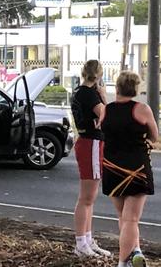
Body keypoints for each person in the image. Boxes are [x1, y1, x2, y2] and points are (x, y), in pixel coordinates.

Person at [100, 72, 157, 267]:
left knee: (124, 218)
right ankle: (123, 262)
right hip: (136, 169)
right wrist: (146, 141)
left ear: (116, 88)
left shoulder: (106, 110)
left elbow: (102, 130)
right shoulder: (142, 109)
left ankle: (136, 252)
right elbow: (154, 135)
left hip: (111, 168)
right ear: (136, 88)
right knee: (131, 220)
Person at [70, 60, 111, 257]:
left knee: (90, 198)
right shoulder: (89, 94)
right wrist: (104, 98)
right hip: (91, 143)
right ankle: (81, 243)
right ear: (99, 74)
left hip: (89, 141)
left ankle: (86, 239)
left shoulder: (79, 92)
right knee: (87, 197)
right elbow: (106, 116)